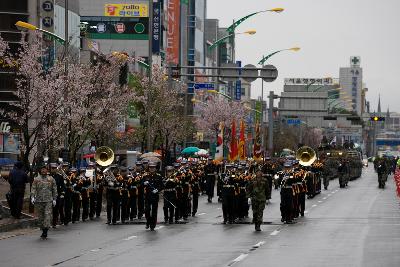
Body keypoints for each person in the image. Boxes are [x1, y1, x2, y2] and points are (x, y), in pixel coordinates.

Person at [31, 163, 57, 239]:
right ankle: (43, 229)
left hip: (48, 200)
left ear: (47, 170)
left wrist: (55, 199)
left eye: (45, 169)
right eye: (42, 169)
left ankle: (45, 231)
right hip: (39, 201)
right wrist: (32, 197)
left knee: (47, 215)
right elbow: (33, 188)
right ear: (40, 170)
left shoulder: (51, 179)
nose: (43, 170)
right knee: (40, 217)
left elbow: (54, 189)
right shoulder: (36, 179)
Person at [142, 162, 163, 230]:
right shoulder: (145, 176)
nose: (152, 169)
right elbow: (140, 184)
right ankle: (148, 222)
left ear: (155, 168)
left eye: (153, 167)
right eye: (150, 167)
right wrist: (144, 183)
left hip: (155, 195)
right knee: (147, 210)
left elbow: (162, 185)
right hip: (148, 195)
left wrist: (157, 190)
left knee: (154, 211)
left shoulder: (158, 176)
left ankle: (152, 225)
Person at [49, 163, 66, 227]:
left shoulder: (59, 176)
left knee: (55, 209)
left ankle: (54, 222)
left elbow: (63, 186)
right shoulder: (48, 176)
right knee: (48, 209)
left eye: (55, 168)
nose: (53, 169)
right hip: (48, 194)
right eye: (52, 168)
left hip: (57, 195)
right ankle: (48, 223)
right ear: (50, 169)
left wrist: (62, 193)